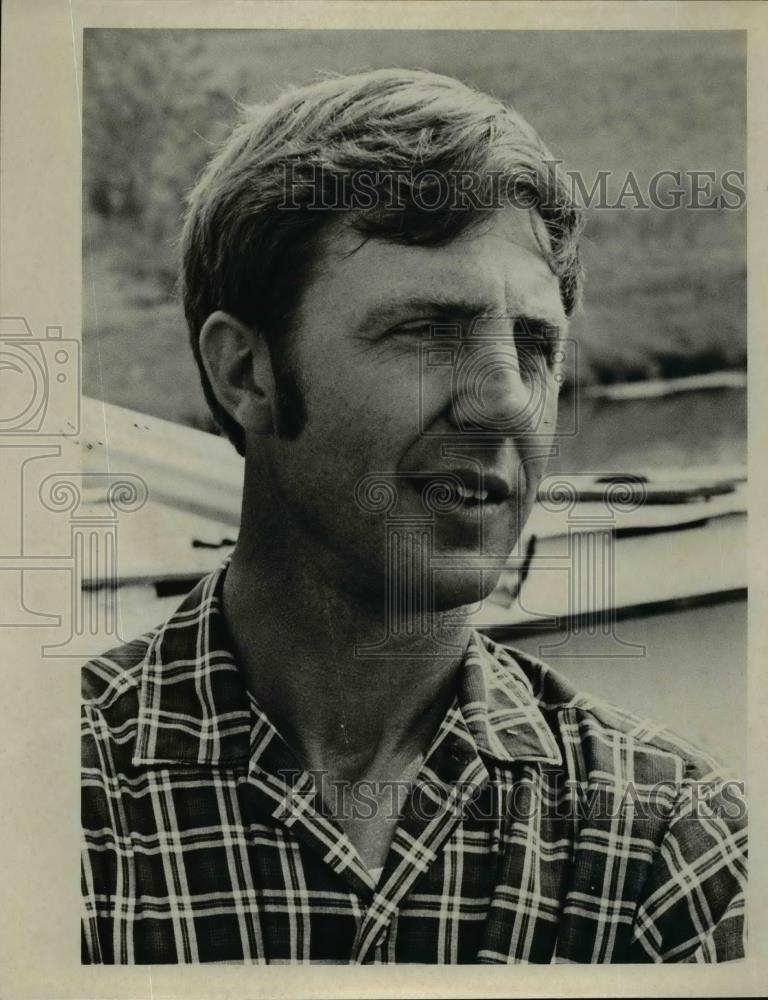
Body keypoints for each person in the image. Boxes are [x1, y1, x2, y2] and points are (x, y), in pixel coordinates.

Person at [81, 68, 746, 964]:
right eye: (430, 333)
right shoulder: (49, 793)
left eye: (535, 346)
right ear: (246, 375)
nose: (507, 402)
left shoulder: (666, 841)